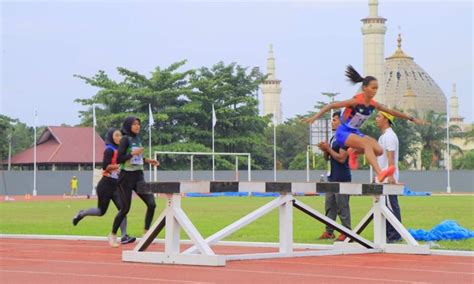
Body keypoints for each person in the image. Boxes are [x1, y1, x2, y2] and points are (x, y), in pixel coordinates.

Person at [303, 65, 424, 183]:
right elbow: (332, 105)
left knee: (379, 150)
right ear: (365, 88)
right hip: (343, 132)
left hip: (355, 132)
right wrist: (314, 117)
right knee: (367, 145)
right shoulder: (356, 101)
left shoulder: (373, 104)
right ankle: (380, 173)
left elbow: (391, 111)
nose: (375, 91)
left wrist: (411, 118)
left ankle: (353, 152)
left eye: (377, 88)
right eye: (373, 88)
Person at [72, 128, 136, 246]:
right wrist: (117, 166)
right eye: (116, 136)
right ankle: (82, 214)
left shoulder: (123, 151)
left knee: (123, 210)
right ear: (111, 137)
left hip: (117, 186)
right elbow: (105, 166)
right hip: (105, 185)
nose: (119, 138)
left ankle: (124, 236)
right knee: (101, 211)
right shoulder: (109, 150)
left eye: (121, 136)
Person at [109, 116, 160, 247]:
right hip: (126, 178)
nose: (137, 126)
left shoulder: (137, 139)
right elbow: (120, 159)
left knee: (152, 204)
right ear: (128, 126)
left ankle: (146, 234)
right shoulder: (125, 139)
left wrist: (148, 160)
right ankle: (113, 235)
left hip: (138, 176)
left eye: (138, 124)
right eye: (134, 124)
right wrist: (133, 153)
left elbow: (137, 158)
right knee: (125, 209)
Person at [317, 111, 351, 241]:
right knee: (329, 206)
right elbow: (328, 158)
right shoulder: (333, 138)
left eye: (335, 120)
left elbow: (342, 158)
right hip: (331, 177)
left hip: (342, 177)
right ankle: (329, 231)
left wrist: (329, 149)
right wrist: (325, 149)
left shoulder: (345, 138)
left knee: (342, 206)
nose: (332, 122)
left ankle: (347, 232)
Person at [375, 111, 402, 243]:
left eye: (378, 116)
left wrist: (390, 174)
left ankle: (395, 235)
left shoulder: (389, 136)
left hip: (388, 178)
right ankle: (388, 234)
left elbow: (390, 155)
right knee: (383, 206)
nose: (376, 119)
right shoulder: (383, 136)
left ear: (386, 119)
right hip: (382, 178)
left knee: (391, 206)